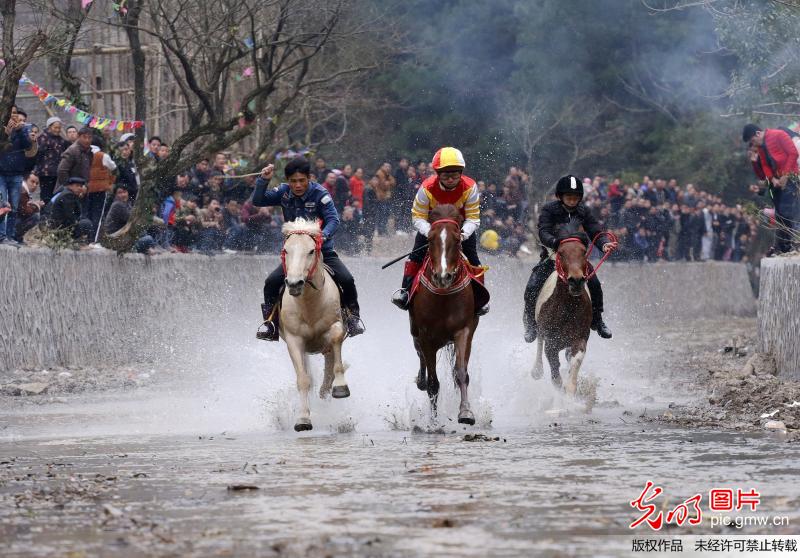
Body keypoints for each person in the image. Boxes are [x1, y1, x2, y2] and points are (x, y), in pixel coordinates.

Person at [252, 157, 364, 340]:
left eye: (302, 181)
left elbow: (333, 220)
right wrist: (263, 180)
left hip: (321, 252)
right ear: (288, 181)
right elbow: (258, 200)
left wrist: (322, 236)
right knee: (271, 282)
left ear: (309, 178)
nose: (297, 185)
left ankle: (353, 318)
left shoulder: (321, 194)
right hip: (294, 255)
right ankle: (270, 324)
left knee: (347, 279)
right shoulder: (282, 192)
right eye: (293, 181)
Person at [390, 146, 488, 314]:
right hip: (432, 228)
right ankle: (405, 292)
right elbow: (418, 216)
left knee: (472, 257)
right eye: (446, 175)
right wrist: (429, 232)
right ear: (437, 174)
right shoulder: (426, 187)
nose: (450, 179)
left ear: (461, 173)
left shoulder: (470, 187)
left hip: (460, 229)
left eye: (455, 175)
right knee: (416, 255)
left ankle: (481, 298)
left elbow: (473, 218)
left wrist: (463, 234)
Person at [522, 175, 617, 342]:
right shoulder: (549, 210)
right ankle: (531, 324)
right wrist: (554, 242)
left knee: (594, 284)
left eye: (576, 198)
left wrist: (604, 244)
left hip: (577, 261)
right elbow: (543, 231)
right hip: (553, 258)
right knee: (532, 285)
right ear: (560, 197)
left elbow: (595, 231)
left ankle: (598, 320)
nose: (573, 201)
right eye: (569, 197)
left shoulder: (584, 211)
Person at [743, 123, 799, 254]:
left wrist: (785, 175)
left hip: (790, 177)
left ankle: (790, 243)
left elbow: (793, 153)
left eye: (753, 141)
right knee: (780, 214)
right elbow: (764, 169)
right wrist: (772, 179)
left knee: (787, 210)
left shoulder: (778, 134)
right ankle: (783, 246)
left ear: (758, 134)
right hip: (776, 183)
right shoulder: (761, 148)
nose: (754, 144)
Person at [0, 106, 33, 243]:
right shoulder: (1, 128)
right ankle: (1, 236)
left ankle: (10, 235)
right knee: (2, 206)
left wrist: (20, 131)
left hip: (17, 174)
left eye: (15, 113)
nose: (13, 115)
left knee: (14, 206)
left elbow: (28, 146)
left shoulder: (23, 129)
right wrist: (6, 133)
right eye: (11, 112)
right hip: (1, 173)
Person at [44, 176, 94, 241]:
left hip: (61, 226)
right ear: (70, 186)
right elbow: (70, 215)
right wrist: (77, 222)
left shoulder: (69, 193)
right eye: (77, 186)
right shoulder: (68, 195)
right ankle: (86, 242)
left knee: (85, 222)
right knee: (87, 223)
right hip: (61, 228)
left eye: (81, 186)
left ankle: (81, 242)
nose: (79, 188)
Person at [34, 116, 70, 204]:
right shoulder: (42, 138)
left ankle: (53, 215)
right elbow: (38, 154)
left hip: (57, 172)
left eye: (59, 128)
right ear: (49, 127)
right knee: (46, 195)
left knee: (56, 196)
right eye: (55, 127)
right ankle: (44, 215)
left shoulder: (61, 140)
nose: (57, 130)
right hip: (45, 173)